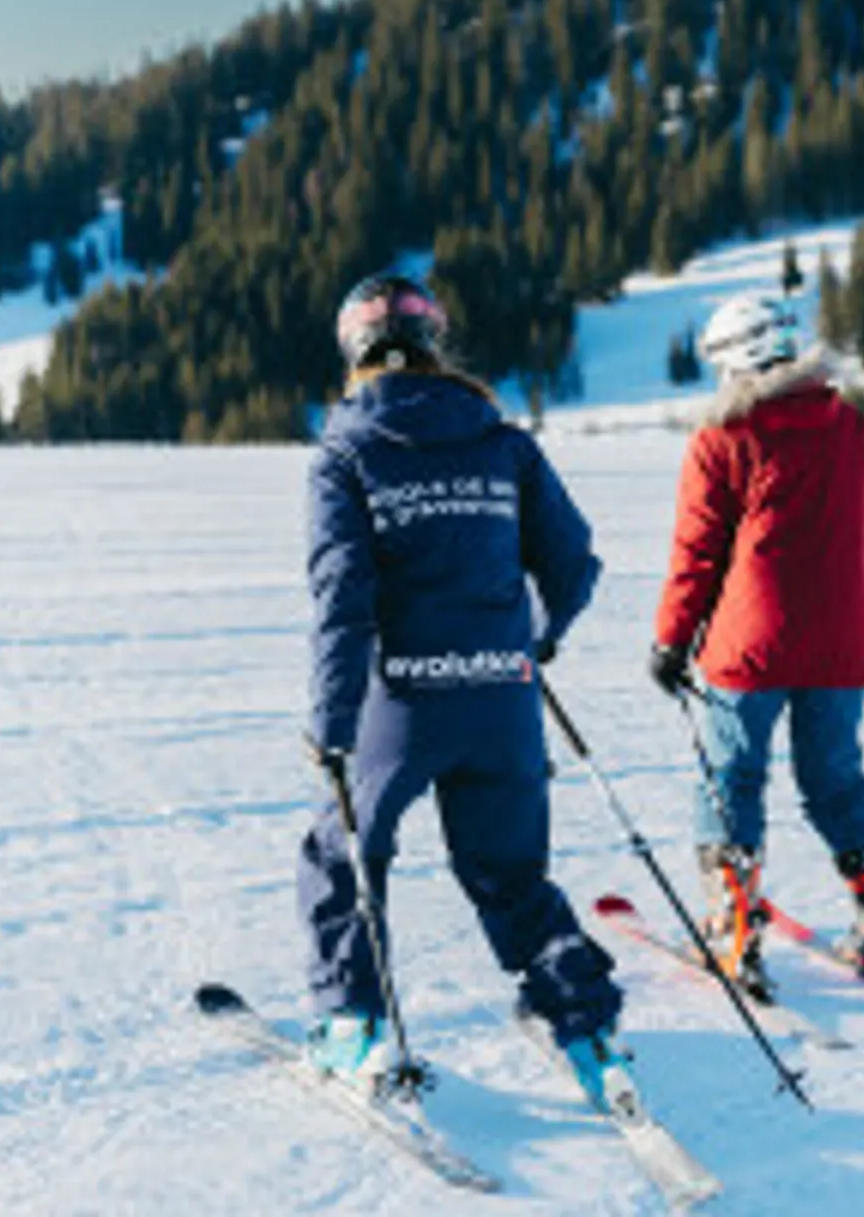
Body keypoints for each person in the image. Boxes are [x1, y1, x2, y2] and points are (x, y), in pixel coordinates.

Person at [299, 271, 628, 1105]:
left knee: (345, 852)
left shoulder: (346, 451)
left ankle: (351, 1024)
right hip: (500, 695)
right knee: (512, 872)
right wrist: (533, 641)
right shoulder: (503, 442)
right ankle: (586, 1025)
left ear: (353, 349)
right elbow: (573, 565)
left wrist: (332, 727)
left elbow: (342, 598)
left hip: (402, 704)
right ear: (433, 342)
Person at [647, 290, 864, 1002]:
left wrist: (671, 639)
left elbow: (698, 553)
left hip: (749, 648)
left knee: (730, 778)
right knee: (835, 778)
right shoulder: (849, 425)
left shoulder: (722, 437)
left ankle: (733, 934)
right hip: (843, 642)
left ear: (732, 361)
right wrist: (861, 608)